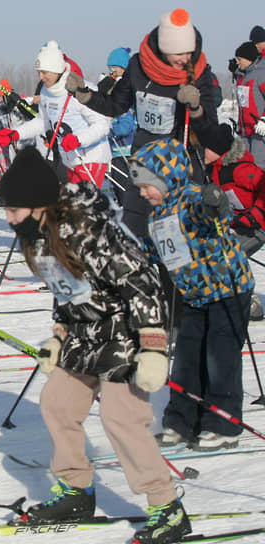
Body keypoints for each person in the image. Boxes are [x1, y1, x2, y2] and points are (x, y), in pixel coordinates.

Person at [0, 146, 191, 544]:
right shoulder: (41, 235)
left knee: (122, 419)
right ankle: (76, 491)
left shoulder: (91, 231)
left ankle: (166, 506)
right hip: (85, 337)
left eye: (13, 210)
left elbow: (144, 281)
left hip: (125, 334)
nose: (8, 218)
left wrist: (153, 345)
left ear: (38, 205)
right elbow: (65, 290)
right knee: (57, 404)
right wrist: (58, 336)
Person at [130, 138, 253, 455]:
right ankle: (181, 422)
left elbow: (212, 214)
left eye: (147, 186)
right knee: (186, 359)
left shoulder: (191, 197)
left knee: (219, 358)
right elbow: (153, 252)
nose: (144, 194)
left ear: (165, 178)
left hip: (228, 290)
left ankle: (223, 425)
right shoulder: (156, 218)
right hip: (196, 297)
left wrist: (216, 203)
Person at [66, 9, 221, 188]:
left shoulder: (200, 73)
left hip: (183, 164)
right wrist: (84, 95)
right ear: (164, 48)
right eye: (179, 54)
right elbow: (115, 105)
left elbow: (211, 130)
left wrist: (196, 109)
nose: (185, 59)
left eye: (189, 52)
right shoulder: (139, 66)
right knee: (138, 214)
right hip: (145, 161)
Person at [0, 40, 111, 188]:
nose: (41, 77)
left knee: (82, 207)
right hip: (69, 159)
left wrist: (78, 140)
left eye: (44, 72)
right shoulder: (46, 91)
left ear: (57, 69)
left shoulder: (81, 89)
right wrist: (15, 134)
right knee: (73, 207)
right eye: (39, 72)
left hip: (91, 157)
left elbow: (103, 125)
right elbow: (43, 122)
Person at [202, 123, 265, 320]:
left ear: (219, 151)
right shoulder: (214, 171)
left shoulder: (240, 169)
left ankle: (249, 302)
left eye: (208, 148)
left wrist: (255, 214)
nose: (204, 151)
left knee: (229, 255)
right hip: (240, 227)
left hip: (258, 226)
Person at [98, 46, 147, 238]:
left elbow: (125, 126)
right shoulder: (117, 93)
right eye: (111, 69)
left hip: (127, 150)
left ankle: (131, 224)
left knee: (126, 188)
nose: (113, 73)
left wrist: (110, 127)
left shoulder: (127, 98)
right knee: (119, 189)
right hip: (117, 152)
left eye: (116, 69)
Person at [231, 41, 265, 169]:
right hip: (245, 131)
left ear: (249, 59)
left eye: (240, 59)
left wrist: (264, 119)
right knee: (244, 167)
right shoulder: (242, 75)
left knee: (258, 167)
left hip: (259, 131)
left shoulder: (261, 74)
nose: (238, 62)